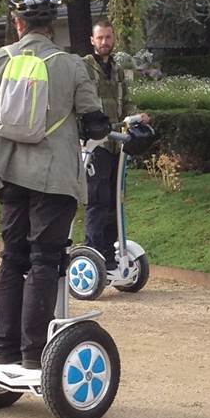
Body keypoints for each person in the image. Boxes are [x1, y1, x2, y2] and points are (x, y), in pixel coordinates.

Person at [0, 0, 110, 370]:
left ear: (18, 23)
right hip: (55, 178)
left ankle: (5, 349)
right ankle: (33, 355)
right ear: (51, 24)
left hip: (8, 172)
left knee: (12, 258)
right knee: (45, 260)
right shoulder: (72, 66)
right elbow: (95, 120)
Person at [81, 17, 150, 272]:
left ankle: (109, 257)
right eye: (100, 38)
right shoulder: (85, 67)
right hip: (96, 144)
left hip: (117, 145)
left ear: (114, 39)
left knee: (114, 201)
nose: (104, 42)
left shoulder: (119, 70)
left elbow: (127, 101)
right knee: (97, 200)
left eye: (108, 37)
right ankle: (94, 253)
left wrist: (137, 116)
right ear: (92, 40)